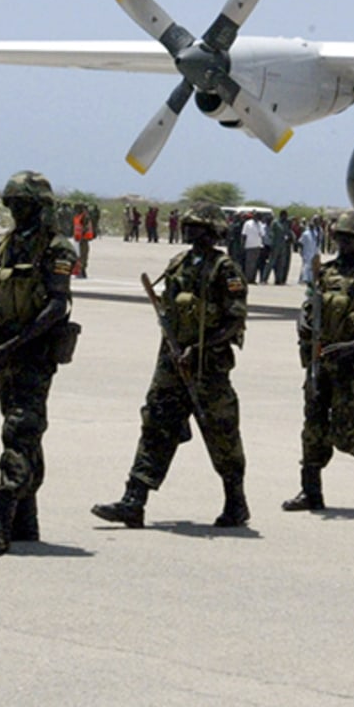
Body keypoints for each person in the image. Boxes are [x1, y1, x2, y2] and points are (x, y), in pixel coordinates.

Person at [92, 203, 250, 529]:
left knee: (221, 432)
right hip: (172, 361)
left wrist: (200, 348)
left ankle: (236, 501)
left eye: (195, 227)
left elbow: (235, 320)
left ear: (210, 231)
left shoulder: (225, 269)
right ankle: (134, 500)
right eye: (188, 226)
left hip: (208, 366)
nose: (188, 231)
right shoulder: (178, 263)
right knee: (155, 424)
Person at [0, 171, 79, 553]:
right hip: (5, 352)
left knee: (18, 431)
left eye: (23, 204)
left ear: (39, 207)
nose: (16, 210)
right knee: (24, 431)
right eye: (12, 204)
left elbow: (56, 304)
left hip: (33, 353)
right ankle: (26, 519)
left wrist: (16, 343)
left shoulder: (57, 248)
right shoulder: (2, 245)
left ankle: (1, 519)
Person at [283, 212, 354, 512]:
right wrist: (303, 323)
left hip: (351, 365)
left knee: (345, 431)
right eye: (340, 237)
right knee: (313, 428)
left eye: (350, 238)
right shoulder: (324, 272)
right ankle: (311, 492)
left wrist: (353, 345)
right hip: (319, 362)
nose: (343, 242)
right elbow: (307, 306)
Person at [268, 210, 293, 285]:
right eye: (285, 216)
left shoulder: (286, 224)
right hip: (275, 246)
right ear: (282, 215)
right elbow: (271, 233)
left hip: (283, 246)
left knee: (281, 264)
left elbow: (287, 232)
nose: (286, 217)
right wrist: (271, 244)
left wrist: (289, 237)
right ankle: (264, 279)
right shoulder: (275, 223)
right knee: (271, 263)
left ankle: (279, 280)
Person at [71, 202, 94, 278]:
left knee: (82, 255)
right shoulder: (78, 216)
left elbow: (85, 227)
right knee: (79, 255)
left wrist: (81, 236)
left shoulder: (84, 216)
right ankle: (80, 271)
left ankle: (82, 271)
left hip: (82, 239)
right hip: (78, 239)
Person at [299, 216, 322, 285]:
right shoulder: (305, 233)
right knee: (305, 265)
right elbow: (301, 242)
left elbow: (319, 240)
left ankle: (310, 279)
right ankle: (303, 279)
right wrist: (301, 251)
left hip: (314, 250)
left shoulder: (317, 231)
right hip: (306, 251)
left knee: (312, 266)